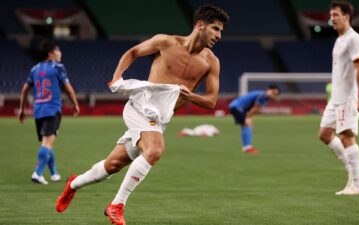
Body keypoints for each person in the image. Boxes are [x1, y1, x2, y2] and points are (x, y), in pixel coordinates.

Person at [55, 5, 229, 225]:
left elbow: (212, 101)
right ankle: (116, 205)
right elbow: (134, 52)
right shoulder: (166, 42)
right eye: (215, 28)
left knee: (112, 165)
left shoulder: (211, 62)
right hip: (141, 107)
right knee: (155, 150)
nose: (218, 35)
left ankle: (72, 185)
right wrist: (117, 76)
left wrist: (190, 95)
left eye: (221, 31)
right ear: (200, 25)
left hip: (159, 120)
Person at [319, 0, 359, 195]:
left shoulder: (353, 39)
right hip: (336, 98)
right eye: (331, 16)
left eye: (336, 15)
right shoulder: (339, 39)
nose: (332, 19)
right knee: (324, 134)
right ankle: (353, 168)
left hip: (347, 98)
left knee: (346, 136)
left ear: (347, 16)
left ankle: (356, 184)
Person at [18, 40, 80, 185]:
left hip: (38, 110)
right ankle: (37, 174)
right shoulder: (58, 67)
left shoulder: (35, 69)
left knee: (48, 142)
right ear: (51, 53)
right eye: (58, 50)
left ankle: (54, 173)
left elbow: (24, 90)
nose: (60, 53)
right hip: (52, 109)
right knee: (47, 142)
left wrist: (21, 109)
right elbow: (68, 88)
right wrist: (75, 104)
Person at [228, 85, 280, 155]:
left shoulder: (262, 94)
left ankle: (247, 147)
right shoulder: (264, 96)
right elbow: (256, 108)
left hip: (236, 106)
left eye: (275, 94)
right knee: (247, 124)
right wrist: (248, 116)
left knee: (247, 124)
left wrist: (249, 115)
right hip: (237, 107)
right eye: (273, 92)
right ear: (269, 90)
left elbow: (255, 108)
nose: (273, 95)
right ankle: (247, 148)